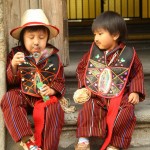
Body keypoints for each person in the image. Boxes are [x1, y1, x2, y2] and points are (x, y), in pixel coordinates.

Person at [73, 11, 145, 150]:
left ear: (115, 35)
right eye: (94, 34)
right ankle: (83, 140)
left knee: (127, 110)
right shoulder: (93, 51)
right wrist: (84, 86)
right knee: (89, 107)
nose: (96, 38)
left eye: (100, 34)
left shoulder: (129, 54)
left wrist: (135, 91)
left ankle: (116, 144)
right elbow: (82, 68)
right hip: (96, 94)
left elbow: (137, 73)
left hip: (119, 95)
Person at [0, 9, 65, 150]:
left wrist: (52, 90)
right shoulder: (16, 54)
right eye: (31, 37)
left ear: (47, 38)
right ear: (23, 38)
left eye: (41, 37)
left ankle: (48, 147)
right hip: (22, 94)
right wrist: (13, 66)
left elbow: (60, 81)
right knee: (9, 98)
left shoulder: (53, 56)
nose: (36, 42)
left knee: (55, 108)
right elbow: (10, 81)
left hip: (43, 98)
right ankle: (28, 142)